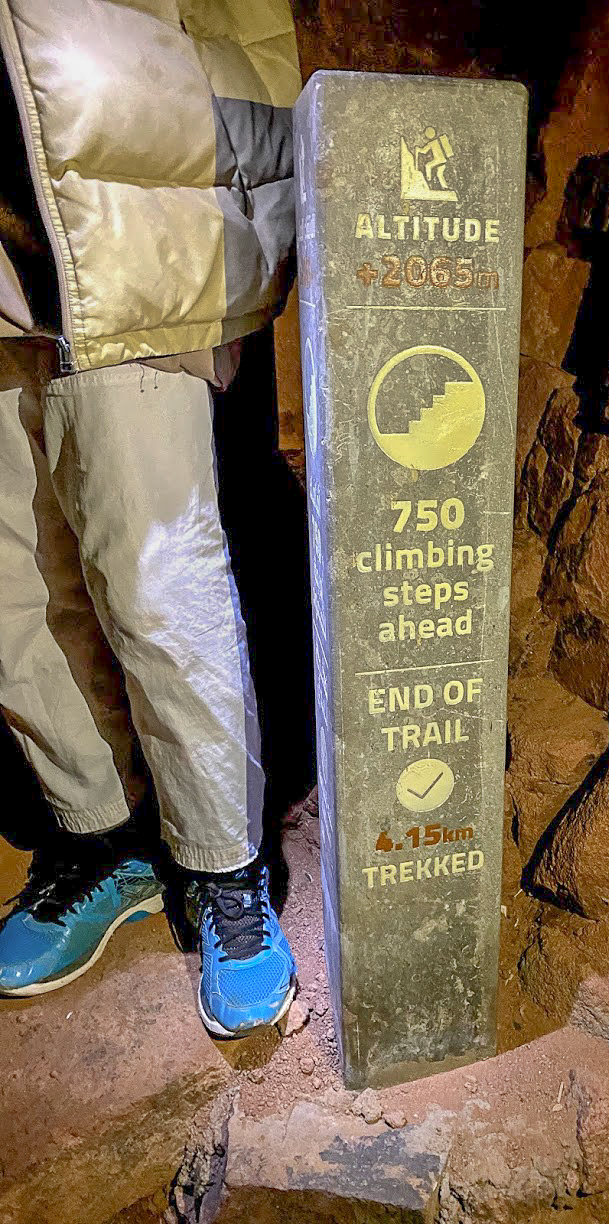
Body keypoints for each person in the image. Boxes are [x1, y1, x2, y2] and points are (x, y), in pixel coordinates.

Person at [0, 1, 301, 1037]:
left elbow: (246, 39)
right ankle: (106, 834)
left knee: (156, 578)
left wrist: (239, 253)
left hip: (127, 237)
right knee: (12, 591)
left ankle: (225, 868)